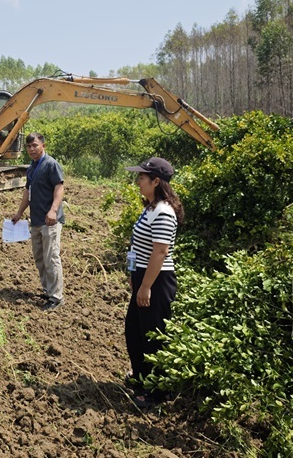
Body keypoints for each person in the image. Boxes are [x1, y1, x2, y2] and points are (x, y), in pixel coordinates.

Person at [122, 157, 183, 408]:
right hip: (144, 276)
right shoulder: (150, 207)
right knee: (135, 331)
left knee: (153, 336)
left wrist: (146, 286)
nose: (138, 182)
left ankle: (157, 392)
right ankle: (141, 377)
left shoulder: (164, 212)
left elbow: (160, 252)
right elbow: (139, 247)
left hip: (156, 281)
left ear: (156, 181)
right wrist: (133, 274)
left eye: (142, 178)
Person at [11, 132, 65, 311]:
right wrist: (19, 212)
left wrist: (53, 210)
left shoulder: (51, 164)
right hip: (35, 220)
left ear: (43, 146)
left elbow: (59, 188)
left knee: (51, 258)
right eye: (28, 146)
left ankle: (56, 297)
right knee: (40, 258)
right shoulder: (32, 167)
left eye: (35, 145)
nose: (32, 149)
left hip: (50, 220)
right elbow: (28, 191)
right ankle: (48, 291)